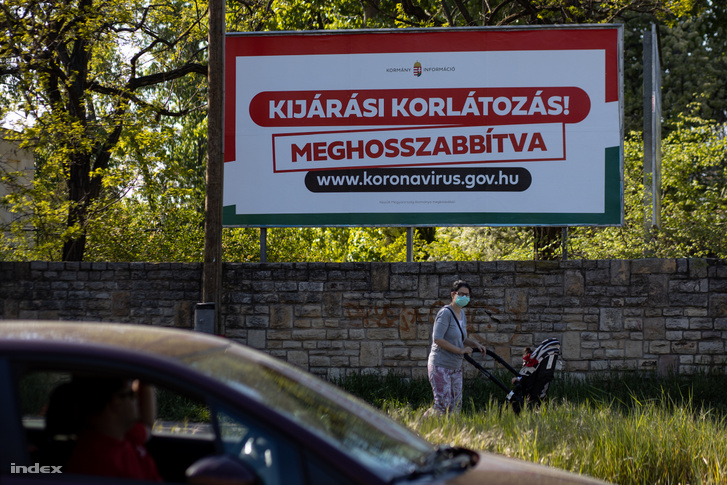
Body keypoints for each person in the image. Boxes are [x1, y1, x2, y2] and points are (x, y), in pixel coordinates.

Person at [66, 376, 162, 482]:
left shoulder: (124, 434)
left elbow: (147, 425)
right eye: (130, 394)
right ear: (115, 402)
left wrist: (144, 376)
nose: (135, 398)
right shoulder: (99, 462)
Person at [425, 280, 486, 416]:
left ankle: (452, 433)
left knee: (456, 405)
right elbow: (437, 338)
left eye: (467, 295)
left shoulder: (462, 314)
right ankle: (420, 427)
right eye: (462, 294)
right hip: (441, 365)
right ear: (453, 294)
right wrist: (460, 351)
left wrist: (475, 344)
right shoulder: (445, 313)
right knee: (442, 405)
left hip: (455, 366)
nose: (465, 297)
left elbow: (461, 338)